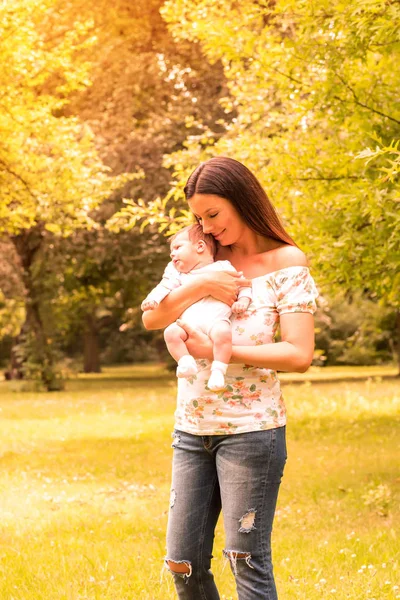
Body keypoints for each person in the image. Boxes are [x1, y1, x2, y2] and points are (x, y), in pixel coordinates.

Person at [142, 156, 319, 600]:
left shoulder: (285, 262)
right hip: (192, 429)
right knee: (182, 563)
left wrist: (219, 351)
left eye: (214, 214)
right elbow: (153, 317)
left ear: (241, 201)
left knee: (245, 558)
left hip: (252, 433)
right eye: (199, 218)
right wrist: (202, 286)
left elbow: (298, 354)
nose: (207, 226)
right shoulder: (198, 257)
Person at [141, 223, 252, 391]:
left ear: (200, 246)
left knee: (223, 335)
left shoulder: (223, 267)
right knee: (170, 333)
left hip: (215, 321)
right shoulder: (178, 275)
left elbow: (243, 285)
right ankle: (185, 361)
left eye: (177, 247)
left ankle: (218, 371)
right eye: (172, 250)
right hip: (188, 323)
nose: (172, 253)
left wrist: (243, 300)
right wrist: (153, 299)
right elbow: (163, 287)